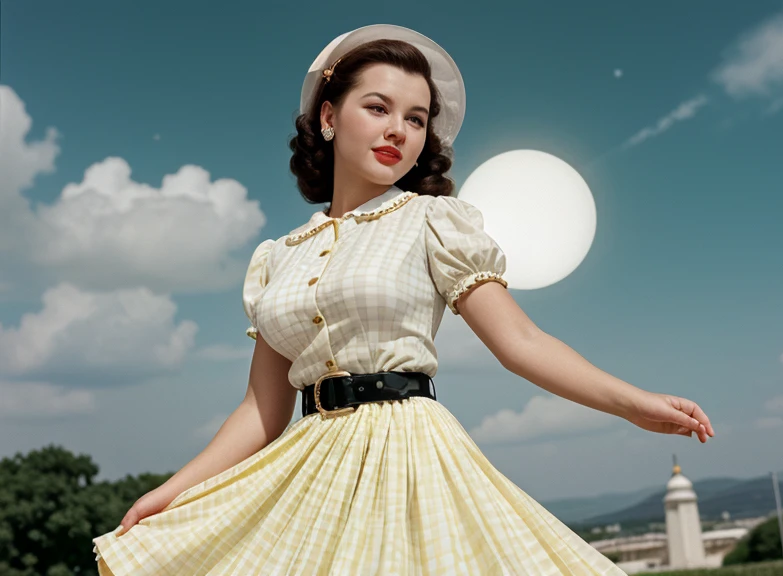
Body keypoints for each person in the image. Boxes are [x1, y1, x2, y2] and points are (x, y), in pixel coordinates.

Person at [91, 24, 714, 575]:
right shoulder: (277, 258)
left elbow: (520, 343)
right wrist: (173, 491)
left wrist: (633, 403)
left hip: (409, 458)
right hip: (309, 469)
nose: (399, 129)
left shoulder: (435, 222)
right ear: (329, 118)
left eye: (416, 119)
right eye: (379, 107)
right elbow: (262, 408)